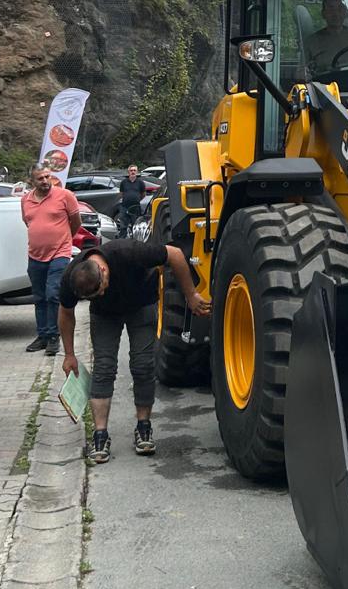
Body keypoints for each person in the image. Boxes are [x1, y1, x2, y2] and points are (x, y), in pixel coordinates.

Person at [58, 237, 209, 463]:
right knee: (104, 367)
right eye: (94, 297)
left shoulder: (129, 252)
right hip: (105, 315)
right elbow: (65, 313)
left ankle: (143, 427)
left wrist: (191, 295)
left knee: (143, 365)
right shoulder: (72, 278)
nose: (101, 295)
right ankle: (100, 435)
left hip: (141, 303)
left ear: (102, 270)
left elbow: (175, 254)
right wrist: (69, 354)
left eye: (100, 290)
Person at [20, 165, 81, 356]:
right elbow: (28, 222)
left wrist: (66, 239)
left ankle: (54, 336)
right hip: (35, 254)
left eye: (48, 176)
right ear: (32, 181)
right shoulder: (25, 200)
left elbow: (76, 221)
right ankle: (43, 335)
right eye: (40, 178)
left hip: (60, 253)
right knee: (39, 297)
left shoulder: (65, 195)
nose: (45, 181)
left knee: (53, 294)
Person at [304, 0, 348, 72]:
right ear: (323, 14)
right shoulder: (312, 41)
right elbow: (301, 71)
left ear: (345, 12)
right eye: (331, 10)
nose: (336, 14)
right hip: (327, 78)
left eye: (340, 10)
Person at [116, 164, 145, 237]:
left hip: (135, 207)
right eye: (131, 170)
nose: (133, 172)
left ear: (137, 172)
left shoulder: (141, 183)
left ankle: (135, 241)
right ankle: (122, 241)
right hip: (124, 207)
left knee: (135, 226)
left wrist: (136, 199)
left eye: (134, 170)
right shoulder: (124, 182)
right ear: (128, 172)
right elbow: (121, 193)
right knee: (123, 226)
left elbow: (143, 194)